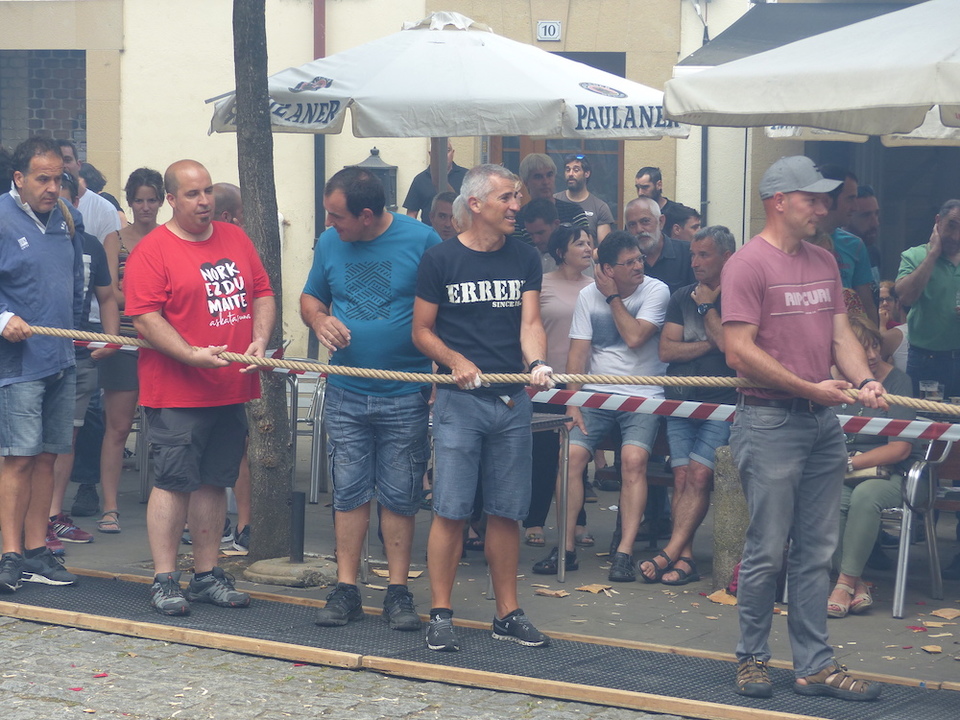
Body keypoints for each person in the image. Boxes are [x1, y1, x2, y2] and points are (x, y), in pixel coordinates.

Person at [722, 155, 883, 702]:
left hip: (820, 423)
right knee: (768, 550)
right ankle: (751, 658)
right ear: (779, 201)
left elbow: (841, 336)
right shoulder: (746, 264)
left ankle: (814, 665)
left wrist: (865, 379)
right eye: (811, 198)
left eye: (823, 198)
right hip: (768, 420)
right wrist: (811, 388)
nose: (823, 207)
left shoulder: (825, 259)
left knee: (816, 551)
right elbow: (738, 351)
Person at [413, 163, 554, 652]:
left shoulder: (525, 256)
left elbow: (530, 322)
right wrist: (455, 360)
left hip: (512, 401)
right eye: (507, 197)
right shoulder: (440, 259)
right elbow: (421, 331)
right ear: (475, 204)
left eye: (517, 197)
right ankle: (440, 614)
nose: (517, 206)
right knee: (450, 510)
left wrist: (537, 362)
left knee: (507, 511)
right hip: (459, 403)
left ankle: (507, 613)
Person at [124, 159, 275, 616]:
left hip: (230, 386)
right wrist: (190, 355)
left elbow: (262, 292)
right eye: (192, 193)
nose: (204, 200)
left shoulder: (235, 237)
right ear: (171, 199)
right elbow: (145, 318)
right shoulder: (153, 250)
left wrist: (260, 340)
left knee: (214, 482)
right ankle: (164, 578)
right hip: (177, 392)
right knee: (174, 483)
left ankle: (207, 575)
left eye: (207, 191)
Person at [301, 167, 440, 631]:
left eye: (336, 215)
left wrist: (440, 372)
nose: (329, 223)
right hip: (346, 389)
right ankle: (347, 588)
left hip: (405, 389)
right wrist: (319, 319)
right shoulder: (329, 242)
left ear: (366, 214)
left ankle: (398, 590)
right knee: (348, 490)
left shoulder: (422, 240)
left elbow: (443, 311)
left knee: (401, 494)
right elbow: (310, 298)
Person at [540, 230, 669, 582]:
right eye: (630, 263)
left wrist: (612, 297)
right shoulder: (587, 296)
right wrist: (572, 403)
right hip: (595, 393)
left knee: (633, 461)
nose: (639, 266)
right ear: (608, 269)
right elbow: (578, 352)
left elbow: (635, 336)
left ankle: (624, 552)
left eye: (639, 259)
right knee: (570, 458)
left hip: (643, 394)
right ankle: (565, 548)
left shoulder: (656, 290)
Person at [0, 137, 84, 591]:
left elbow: (74, 283)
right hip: (18, 365)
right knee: (19, 459)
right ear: (19, 178)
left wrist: (76, 335)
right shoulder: (1, 217)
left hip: (61, 356)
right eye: (43, 179)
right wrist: (3, 318)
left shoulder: (66, 218)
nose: (53, 187)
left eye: (59, 178)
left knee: (49, 456)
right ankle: (10, 555)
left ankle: (36, 550)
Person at [640, 225, 736, 586]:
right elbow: (667, 350)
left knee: (698, 475)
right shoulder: (681, 296)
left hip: (721, 405)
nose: (694, 262)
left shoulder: (738, 296)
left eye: (704, 255)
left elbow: (730, 348)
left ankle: (669, 552)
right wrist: (711, 344)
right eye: (693, 254)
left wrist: (708, 308)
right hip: (680, 401)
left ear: (727, 257)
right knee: (681, 476)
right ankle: (686, 558)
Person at [829, 317, 920, 618]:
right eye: (862, 349)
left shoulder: (898, 382)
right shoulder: (832, 381)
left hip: (888, 472)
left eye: (874, 347)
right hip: (840, 473)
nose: (871, 356)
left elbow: (900, 448)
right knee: (830, 499)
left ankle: (843, 583)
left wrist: (849, 463)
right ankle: (856, 585)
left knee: (865, 497)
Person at [47, 171, 120, 547]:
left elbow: (107, 297)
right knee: (26, 441)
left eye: (64, 196)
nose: (56, 201)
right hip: (33, 356)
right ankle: (27, 519)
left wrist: (110, 339)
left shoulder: (90, 243)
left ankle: (52, 517)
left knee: (67, 437)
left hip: (80, 355)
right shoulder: (32, 238)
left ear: (77, 202)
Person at [96, 167, 166, 536]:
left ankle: (173, 508)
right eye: (139, 200)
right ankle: (110, 507)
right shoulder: (115, 239)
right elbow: (109, 292)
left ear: (162, 201)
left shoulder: (171, 237)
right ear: (130, 202)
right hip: (123, 341)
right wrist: (150, 302)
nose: (145, 206)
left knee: (169, 431)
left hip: (165, 345)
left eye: (151, 199)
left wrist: (136, 299)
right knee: (118, 427)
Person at [525, 224, 594, 556]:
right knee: (542, 453)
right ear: (560, 252)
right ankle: (534, 520)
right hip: (545, 380)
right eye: (579, 243)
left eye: (589, 242)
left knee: (576, 454)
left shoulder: (596, 287)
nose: (587, 248)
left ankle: (577, 522)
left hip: (581, 381)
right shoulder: (542, 284)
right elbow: (527, 327)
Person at [895, 199, 960, 400]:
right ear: (938, 221)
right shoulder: (914, 256)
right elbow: (906, 297)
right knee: (924, 417)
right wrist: (933, 254)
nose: (956, 236)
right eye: (951, 226)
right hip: (925, 359)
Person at [818, 165, 877, 325]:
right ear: (828, 199)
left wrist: (874, 337)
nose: (855, 207)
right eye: (850, 199)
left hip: (848, 331)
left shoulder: (855, 245)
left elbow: (867, 305)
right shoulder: (798, 241)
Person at [624, 196, 694, 296]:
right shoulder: (623, 262)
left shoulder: (688, 254)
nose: (639, 229)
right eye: (632, 225)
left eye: (645, 221)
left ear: (661, 222)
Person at [514, 154, 588, 245]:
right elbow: (518, 251)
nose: (546, 182)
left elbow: (586, 248)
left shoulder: (575, 212)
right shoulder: (518, 219)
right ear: (526, 182)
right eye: (538, 177)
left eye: (549, 175)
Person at [403, 141, 467, 226]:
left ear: (453, 152)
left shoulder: (466, 176)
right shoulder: (420, 179)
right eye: (438, 151)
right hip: (429, 232)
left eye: (447, 150)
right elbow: (411, 214)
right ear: (430, 154)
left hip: (459, 231)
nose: (443, 155)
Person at [554, 154, 613, 242]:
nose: (570, 174)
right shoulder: (554, 200)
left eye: (576, 170)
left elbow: (604, 246)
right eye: (567, 170)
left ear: (587, 173)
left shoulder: (600, 207)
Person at [844, 185, 881, 284]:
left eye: (876, 214)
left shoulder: (873, 252)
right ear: (848, 215)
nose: (875, 223)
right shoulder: (836, 252)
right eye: (866, 215)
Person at [517, 199, 560, 272]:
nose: (536, 240)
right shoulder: (528, 258)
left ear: (556, 224)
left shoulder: (575, 257)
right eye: (531, 234)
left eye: (540, 233)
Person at [878, 280, 908, 372]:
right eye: (881, 300)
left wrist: (882, 326)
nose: (884, 304)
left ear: (897, 302)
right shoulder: (876, 324)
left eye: (889, 299)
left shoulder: (905, 326)